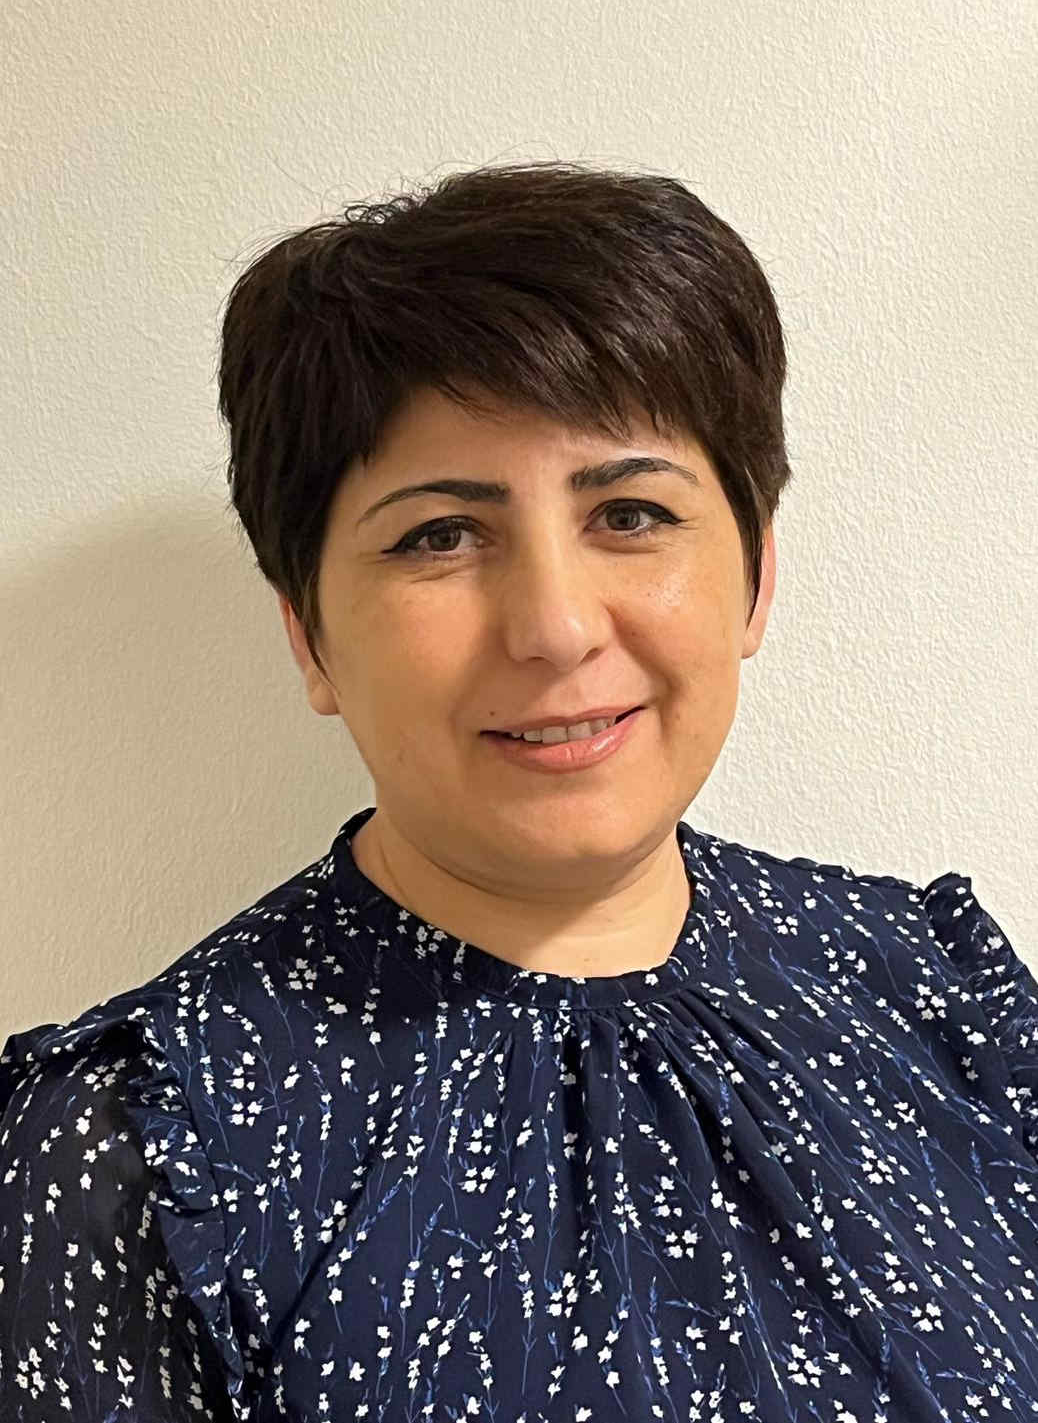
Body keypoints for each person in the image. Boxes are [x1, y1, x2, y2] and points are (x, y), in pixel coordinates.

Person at [2, 161, 1035, 1422]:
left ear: (756, 578)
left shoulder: (936, 988)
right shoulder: (141, 1145)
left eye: (632, 514)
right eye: (440, 535)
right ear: (309, 635)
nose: (554, 627)